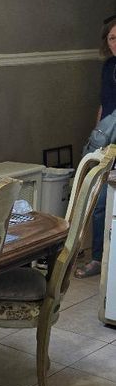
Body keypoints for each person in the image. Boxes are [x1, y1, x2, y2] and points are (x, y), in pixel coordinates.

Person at [75, 15, 116, 277]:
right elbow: (103, 104)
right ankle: (99, 259)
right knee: (98, 199)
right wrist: (96, 134)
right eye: (112, 38)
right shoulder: (108, 66)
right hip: (107, 139)